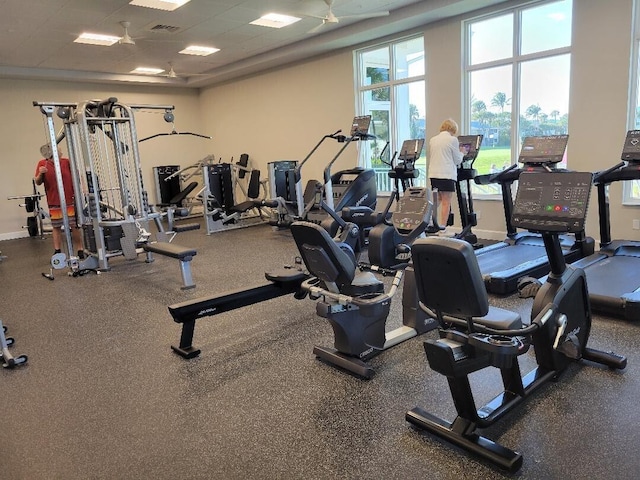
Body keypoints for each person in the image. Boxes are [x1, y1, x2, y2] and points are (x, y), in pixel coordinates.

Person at [34, 143, 85, 259]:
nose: (61, 153)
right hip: (54, 201)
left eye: (60, 151)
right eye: (58, 151)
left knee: (74, 225)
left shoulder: (66, 162)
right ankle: (57, 251)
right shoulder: (42, 164)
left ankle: (80, 250)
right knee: (56, 227)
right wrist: (41, 173)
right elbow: (37, 181)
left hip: (70, 199)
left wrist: (83, 190)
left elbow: (78, 176)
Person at [428, 118, 465, 230]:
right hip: (446, 174)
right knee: (446, 201)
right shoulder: (452, 140)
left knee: (437, 199)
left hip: (434, 174)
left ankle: (429, 222)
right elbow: (457, 160)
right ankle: (442, 228)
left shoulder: (433, 139)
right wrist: (462, 152)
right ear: (453, 129)